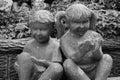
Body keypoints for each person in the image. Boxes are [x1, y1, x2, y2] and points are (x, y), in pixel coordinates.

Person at [59, 3, 113, 80]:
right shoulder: (64, 39)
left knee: (107, 58)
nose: (81, 26)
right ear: (67, 23)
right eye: (77, 22)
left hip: (95, 71)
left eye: (85, 22)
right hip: (78, 73)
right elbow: (73, 59)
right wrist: (83, 50)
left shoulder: (94, 35)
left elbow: (99, 58)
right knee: (68, 63)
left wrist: (96, 50)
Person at [14, 10, 63, 80]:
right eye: (35, 29)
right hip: (32, 75)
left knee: (57, 67)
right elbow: (23, 64)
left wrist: (42, 63)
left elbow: (57, 67)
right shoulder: (29, 45)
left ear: (51, 29)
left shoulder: (55, 45)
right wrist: (19, 64)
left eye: (43, 29)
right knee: (24, 56)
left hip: (47, 75)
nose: (38, 33)